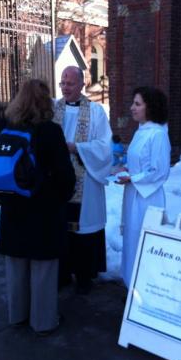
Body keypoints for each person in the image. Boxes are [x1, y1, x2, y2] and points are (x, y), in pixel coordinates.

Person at [0, 79, 76, 335]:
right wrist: (60, 198)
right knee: (43, 269)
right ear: (46, 101)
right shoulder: (50, 131)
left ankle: (17, 315)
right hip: (43, 212)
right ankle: (43, 321)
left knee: (16, 265)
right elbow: (65, 176)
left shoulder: (6, 126)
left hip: (12, 211)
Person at [53, 66, 112, 294]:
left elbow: (105, 148)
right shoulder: (53, 109)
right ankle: (63, 273)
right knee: (61, 227)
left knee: (83, 229)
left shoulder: (95, 112)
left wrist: (76, 147)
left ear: (81, 84)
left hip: (85, 179)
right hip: (58, 182)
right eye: (62, 83)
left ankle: (85, 275)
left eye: (70, 83)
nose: (65, 88)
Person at [117, 86, 171, 288]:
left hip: (148, 199)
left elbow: (160, 171)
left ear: (151, 107)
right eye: (133, 103)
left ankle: (145, 287)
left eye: (137, 104)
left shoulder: (157, 135)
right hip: (134, 195)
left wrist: (133, 178)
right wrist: (126, 168)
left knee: (144, 239)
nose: (132, 108)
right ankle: (132, 284)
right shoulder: (142, 131)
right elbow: (141, 163)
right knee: (132, 239)